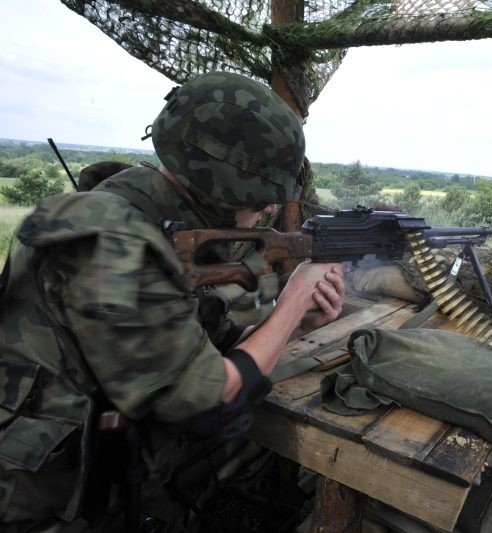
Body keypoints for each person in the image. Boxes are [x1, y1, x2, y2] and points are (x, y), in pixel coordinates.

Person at [0, 71, 345, 531]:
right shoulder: (115, 241)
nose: (267, 210)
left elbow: (194, 351)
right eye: (262, 197)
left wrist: (297, 322)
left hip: (101, 463)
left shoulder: (148, 216)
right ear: (225, 185)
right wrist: (291, 303)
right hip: (37, 502)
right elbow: (208, 403)